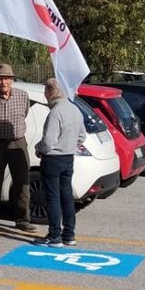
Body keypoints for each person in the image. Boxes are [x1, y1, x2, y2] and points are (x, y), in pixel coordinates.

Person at [0, 64, 36, 233]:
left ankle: (22, 220)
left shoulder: (22, 96)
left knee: (22, 183)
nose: (3, 81)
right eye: (0, 78)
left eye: (6, 78)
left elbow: (24, 114)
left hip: (17, 143)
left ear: (12, 80)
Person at [34, 79, 86, 247]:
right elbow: (82, 136)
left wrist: (39, 148)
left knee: (52, 198)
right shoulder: (75, 109)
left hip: (53, 159)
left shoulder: (56, 112)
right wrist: (69, 144)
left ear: (51, 92)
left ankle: (54, 235)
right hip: (68, 157)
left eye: (45, 92)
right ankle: (69, 234)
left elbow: (49, 141)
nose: (44, 95)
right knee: (67, 197)